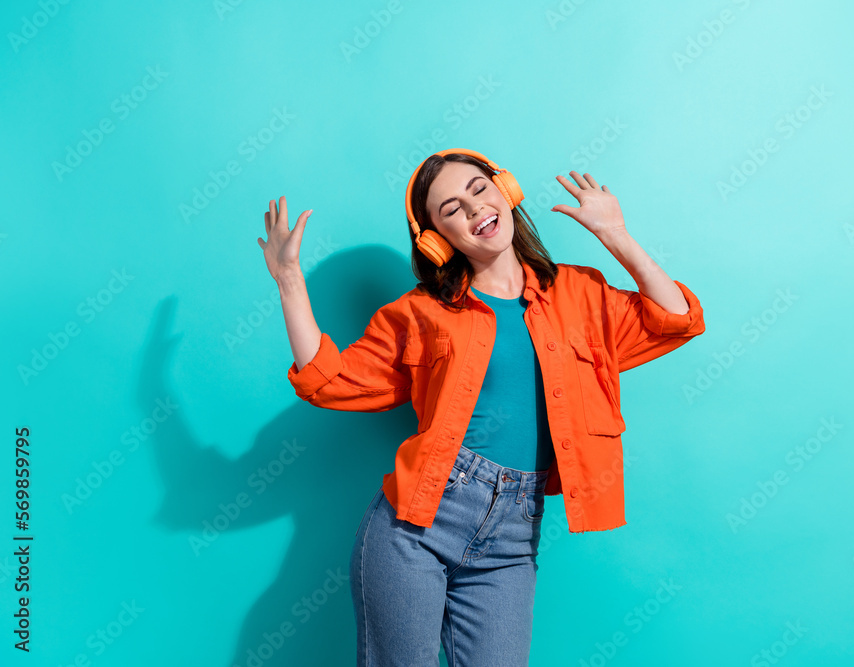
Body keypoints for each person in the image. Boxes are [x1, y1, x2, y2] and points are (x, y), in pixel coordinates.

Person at [256, 148, 706, 666]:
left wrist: (615, 235)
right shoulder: (419, 313)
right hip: (417, 525)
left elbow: (677, 319)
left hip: (514, 536)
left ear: (506, 191)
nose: (474, 209)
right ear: (436, 239)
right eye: (451, 209)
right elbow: (329, 382)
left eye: (478, 189)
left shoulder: (581, 293)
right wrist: (289, 281)